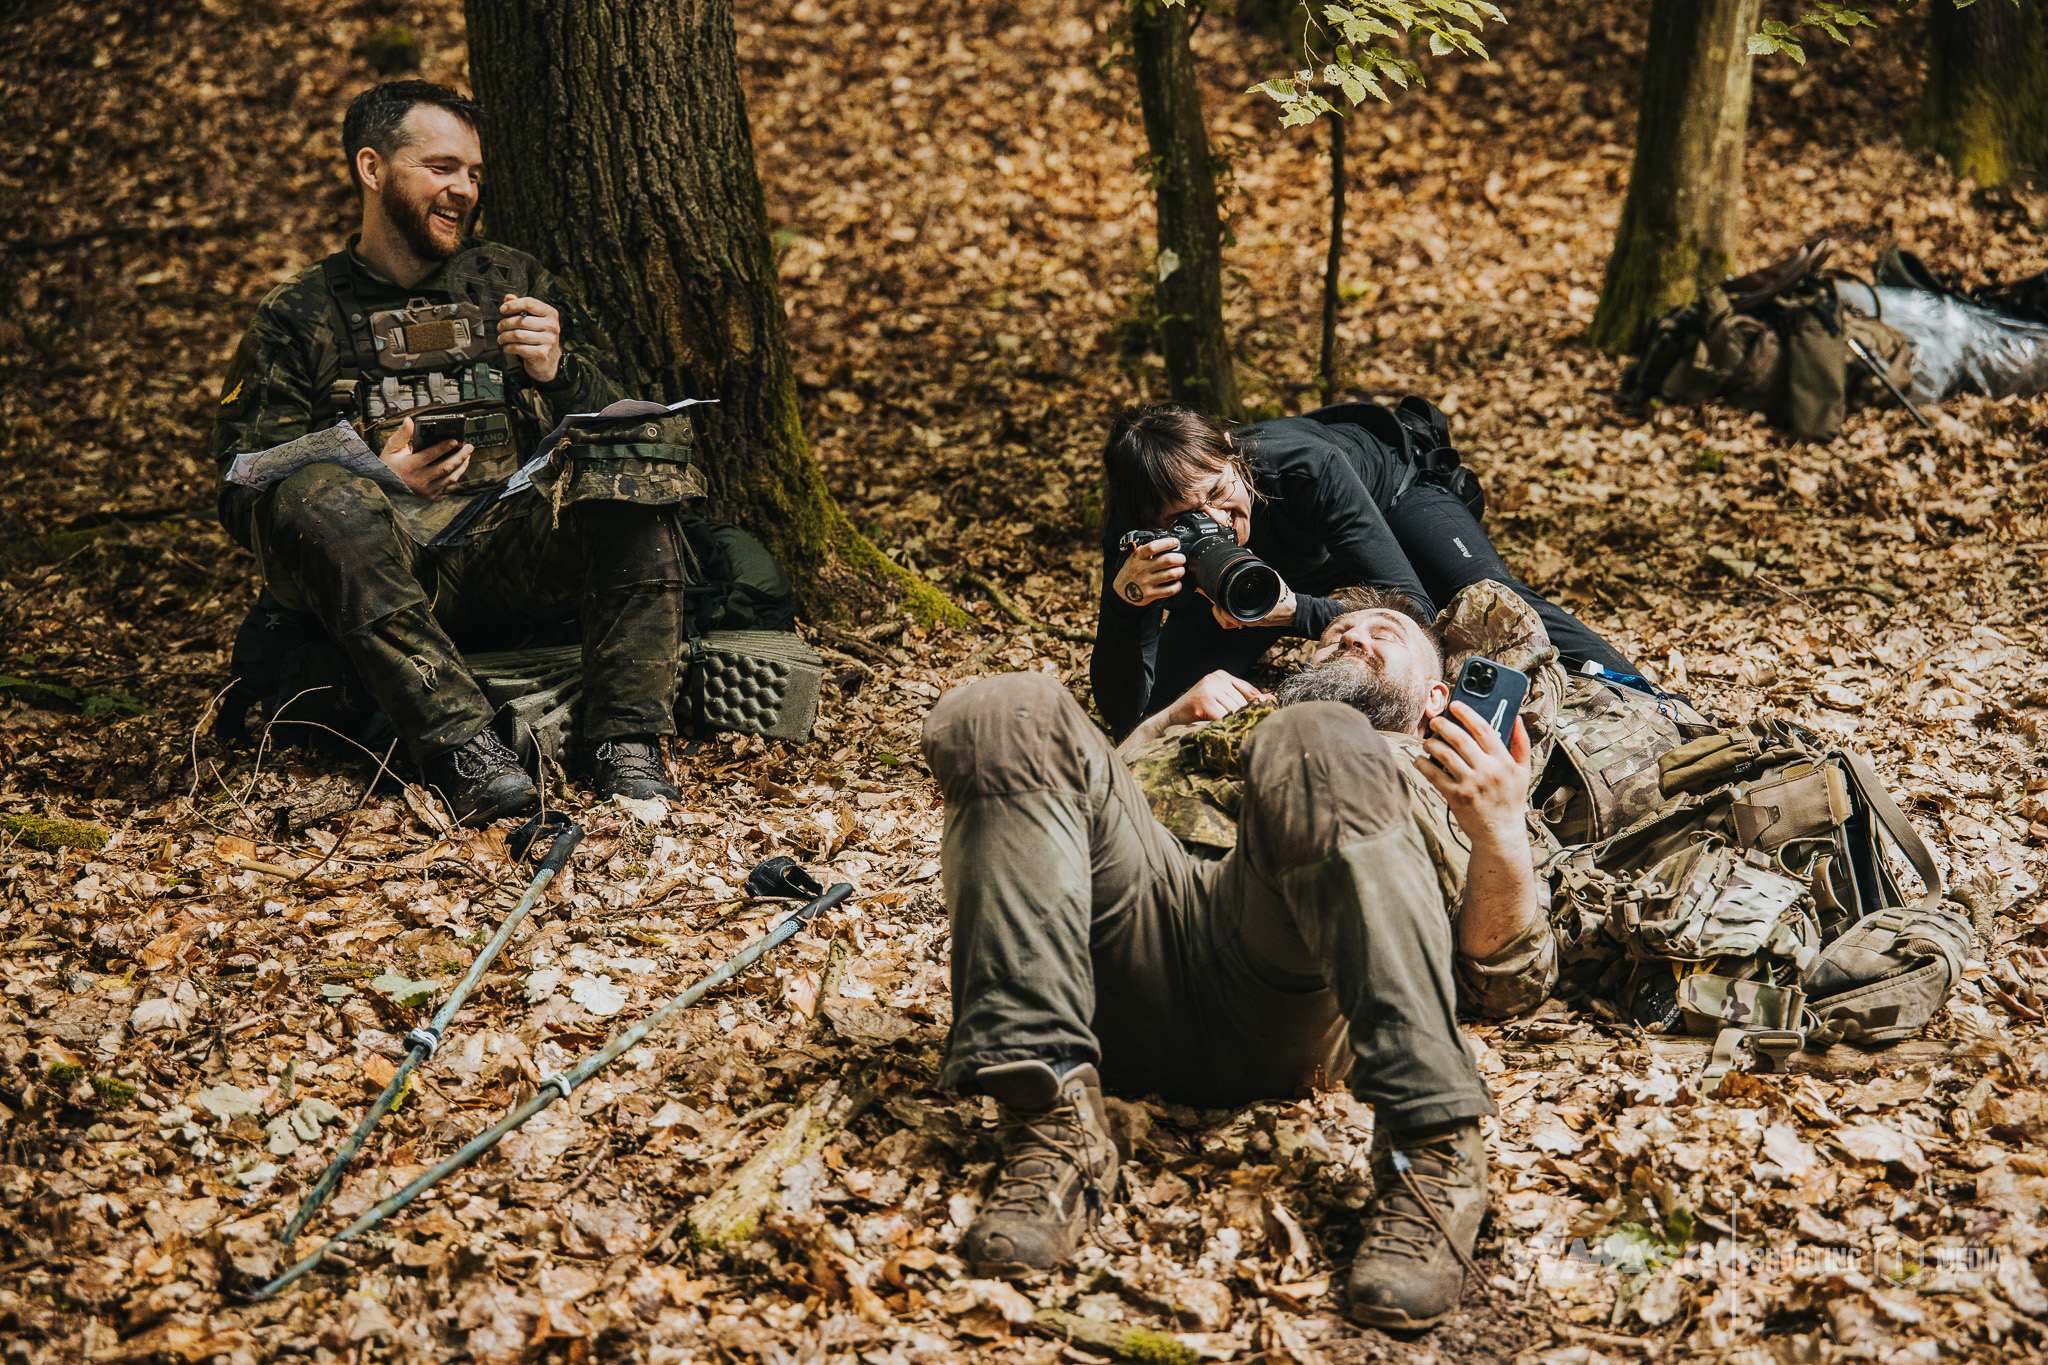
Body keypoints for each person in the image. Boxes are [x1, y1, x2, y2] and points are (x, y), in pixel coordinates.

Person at [921, 582, 1562, 1329]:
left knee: (1317, 737)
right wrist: (1158, 723)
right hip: (1118, 959)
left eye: (1383, 633)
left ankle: (1432, 1155)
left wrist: (1502, 829)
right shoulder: (1207, 721)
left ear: (1436, 698)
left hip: (1283, 983)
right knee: (1007, 706)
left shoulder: (1461, 783)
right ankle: (1049, 1125)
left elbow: (1507, 984)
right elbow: (1049, 820)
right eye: (1338, 632)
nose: (1351, 636)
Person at [211, 81, 694, 823]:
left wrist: (558, 370)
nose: (463, 190)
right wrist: (373, 472)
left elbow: (622, 418)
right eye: (441, 168)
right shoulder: (297, 314)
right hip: (381, 571)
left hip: (508, 552)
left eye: (472, 173)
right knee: (316, 495)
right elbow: (245, 482)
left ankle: (627, 740)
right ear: (373, 170)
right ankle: (466, 748)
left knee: (635, 460)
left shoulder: (510, 281)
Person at [1091, 400, 1638, 738]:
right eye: (1187, 518)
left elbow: (1417, 612)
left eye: (1217, 491)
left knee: (1481, 595)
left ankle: (1647, 695)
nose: (1217, 521)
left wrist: (1294, 613)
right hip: (1252, 579)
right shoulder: (1140, 538)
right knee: (1161, 709)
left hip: (1391, 495)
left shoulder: (1303, 465)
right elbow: (1128, 713)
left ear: (1232, 454)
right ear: (1151, 523)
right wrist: (1125, 604)